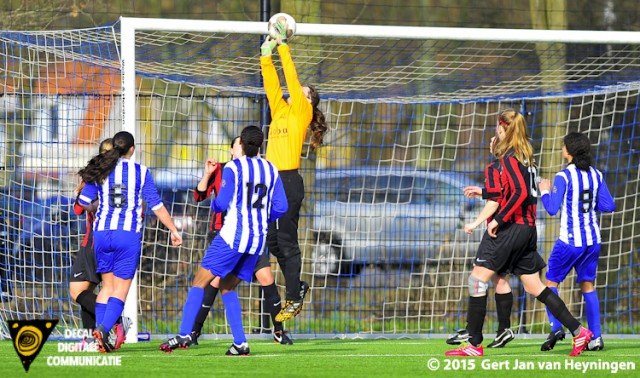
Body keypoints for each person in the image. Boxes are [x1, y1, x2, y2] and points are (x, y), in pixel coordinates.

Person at [445, 109, 592, 357]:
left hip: (511, 228)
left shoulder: (511, 158)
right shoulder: (526, 157)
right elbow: (512, 190)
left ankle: (474, 344)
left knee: (477, 279)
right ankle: (580, 332)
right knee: (535, 286)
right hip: (526, 228)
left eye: (497, 129)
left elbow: (520, 193)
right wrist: (483, 192)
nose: (495, 133)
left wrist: (497, 220)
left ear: (504, 130)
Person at [160, 125, 288, 356]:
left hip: (232, 237)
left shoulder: (234, 167)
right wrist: (260, 217)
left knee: (199, 282)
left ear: (242, 144)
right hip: (257, 241)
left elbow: (219, 204)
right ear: (260, 145)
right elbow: (282, 207)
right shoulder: (271, 169)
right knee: (227, 287)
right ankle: (240, 343)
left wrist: (221, 202)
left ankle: (184, 333)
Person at [77, 131, 183, 353]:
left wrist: (103, 206)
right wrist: (173, 229)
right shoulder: (141, 172)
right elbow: (156, 205)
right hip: (127, 235)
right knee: (121, 290)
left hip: (102, 234)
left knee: (107, 286)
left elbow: (84, 201)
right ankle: (105, 329)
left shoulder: (102, 171)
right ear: (132, 149)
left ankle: (100, 334)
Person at [260, 19, 328, 322]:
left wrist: (284, 46)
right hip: (269, 182)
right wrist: (266, 54)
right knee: (271, 242)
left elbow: (289, 75)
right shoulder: (281, 109)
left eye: (305, 91)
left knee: (286, 242)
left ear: (309, 102)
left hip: (287, 180)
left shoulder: (302, 110)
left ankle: (294, 294)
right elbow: (273, 83)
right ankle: (297, 283)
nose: (298, 90)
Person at [538, 132, 615, 352]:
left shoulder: (563, 176)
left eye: (563, 146)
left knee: (550, 284)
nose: (561, 148)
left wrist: (544, 191)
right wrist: (589, 207)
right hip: (593, 241)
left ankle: (556, 327)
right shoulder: (596, 175)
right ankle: (596, 338)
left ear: (568, 151)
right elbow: (609, 205)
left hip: (570, 241)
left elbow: (552, 209)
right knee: (588, 287)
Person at [448, 135, 515, 348]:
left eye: (494, 138)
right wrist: (482, 192)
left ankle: (473, 333)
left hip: (499, 230)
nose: (490, 142)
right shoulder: (516, 166)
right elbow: (503, 194)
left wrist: (475, 223)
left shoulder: (495, 167)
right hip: (517, 228)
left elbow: (495, 201)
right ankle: (504, 329)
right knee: (500, 279)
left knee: (477, 278)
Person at [70, 138, 130, 350]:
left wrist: (82, 195)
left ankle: (115, 321)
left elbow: (78, 209)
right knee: (92, 290)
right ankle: (91, 337)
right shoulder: (126, 177)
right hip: (117, 240)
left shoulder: (97, 177)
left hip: (95, 241)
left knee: (78, 290)